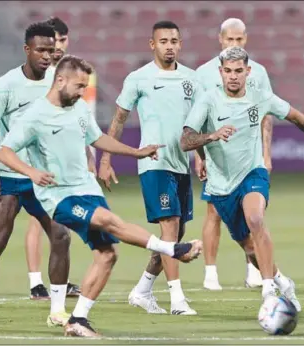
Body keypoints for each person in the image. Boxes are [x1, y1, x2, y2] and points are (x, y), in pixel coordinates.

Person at [0, 55, 203, 338]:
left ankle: (78, 319)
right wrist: (31, 172)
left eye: (85, 87)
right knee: (107, 220)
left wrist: (134, 152)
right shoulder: (34, 115)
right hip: (59, 197)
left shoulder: (79, 108)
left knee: (107, 255)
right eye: (79, 86)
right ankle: (173, 249)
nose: (83, 92)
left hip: (87, 189)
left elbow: (96, 138)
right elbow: (4, 152)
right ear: (61, 80)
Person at [181, 46, 304, 313]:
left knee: (255, 218)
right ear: (221, 72)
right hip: (221, 186)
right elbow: (186, 139)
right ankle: (281, 280)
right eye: (228, 71)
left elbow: (296, 117)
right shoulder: (208, 100)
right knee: (249, 247)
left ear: (248, 71)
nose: (233, 76)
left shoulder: (260, 97)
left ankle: (268, 289)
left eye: (238, 71)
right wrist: (212, 135)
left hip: (252, 173)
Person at [0, 22, 72, 331]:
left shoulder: (57, 81)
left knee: (61, 236)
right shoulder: (7, 84)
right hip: (10, 176)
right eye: (40, 50)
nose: (46, 56)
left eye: (51, 50)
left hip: (45, 178)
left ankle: (57, 310)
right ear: (27, 50)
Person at [97, 20, 199, 315]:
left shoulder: (192, 79)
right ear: (152, 44)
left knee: (176, 236)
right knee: (169, 228)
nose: (170, 46)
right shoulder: (138, 79)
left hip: (182, 165)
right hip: (154, 164)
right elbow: (118, 119)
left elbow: (196, 123)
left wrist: (202, 156)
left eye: (174, 41)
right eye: (164, 41)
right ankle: (178, 300)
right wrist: (106, 159)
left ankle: (142, 289)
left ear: (180, 44)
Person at [195, 17, 273, 291]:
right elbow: (197, 120)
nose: (234, 44)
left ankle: (253, 268)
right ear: (220, 39)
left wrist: (266, 153)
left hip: (248, 156)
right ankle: (211, 272)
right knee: (214, 211)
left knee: (252, 213)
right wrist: (199, 156)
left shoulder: (258, 73)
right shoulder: (204, 73)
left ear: (246, 39)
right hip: (217, 156)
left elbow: (266, 116)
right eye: (229, 39)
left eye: (239, 39)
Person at [24, 16, 83, 300]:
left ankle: (60, 279)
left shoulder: (70, 73)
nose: (58, 46)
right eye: (54, 42)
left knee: (58, 223)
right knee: (38, 219)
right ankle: (36, 282)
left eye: (62, 40)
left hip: (60, 158)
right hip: (34, 159)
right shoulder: (40, 74)